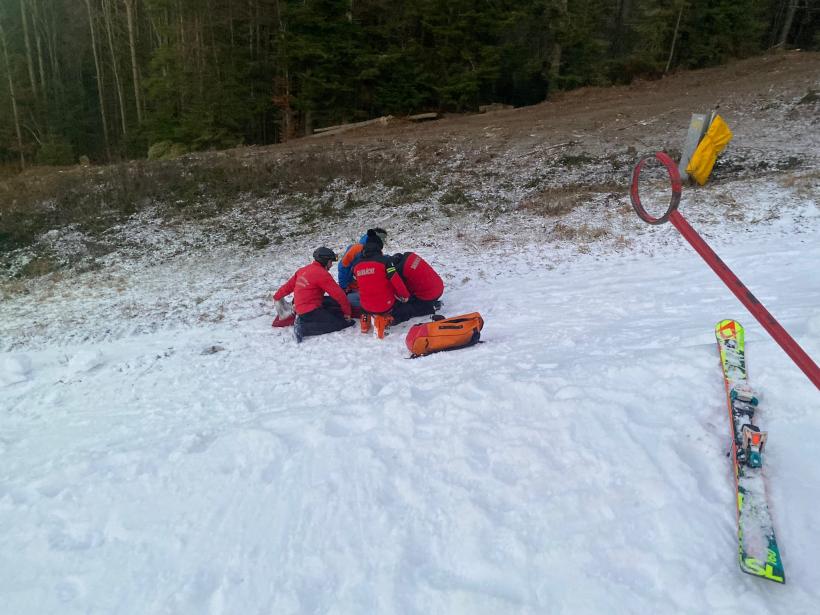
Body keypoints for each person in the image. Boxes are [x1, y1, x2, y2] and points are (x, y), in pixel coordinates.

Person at [273, 247, 353, 343]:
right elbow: (339, 295)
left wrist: (277, 296)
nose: (331, 265)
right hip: (309, 310)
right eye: (330, 262)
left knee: (335, 304)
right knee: (340, 323)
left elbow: (288, 286)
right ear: (325, 261)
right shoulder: (322, 274)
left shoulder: (302, 270)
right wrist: (347, 313)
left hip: (303, 304)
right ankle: (303, 328)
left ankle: (303, 319)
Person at [352, 229, 410, 338]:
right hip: (384, 305)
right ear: (379, 248)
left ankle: (364, 324)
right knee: (397, 302)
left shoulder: (356, 265)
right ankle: (383, 319)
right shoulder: (385, 262)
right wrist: (405, 295)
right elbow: (396, 281)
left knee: (366, 295)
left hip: (365, 305)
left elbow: (357, 280)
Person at [337, 227, 388, 307]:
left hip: (367, 286)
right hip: (354, 287)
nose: (384, 242)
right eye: (383, 239)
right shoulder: (356, 249)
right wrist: (344, 287)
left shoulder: (378, 251)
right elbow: (343, 267)